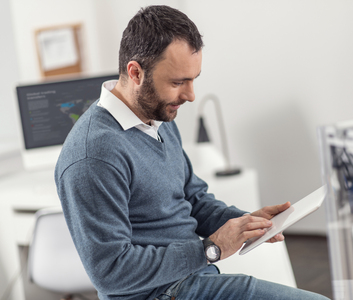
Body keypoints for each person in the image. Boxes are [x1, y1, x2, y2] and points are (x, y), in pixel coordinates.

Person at [55, 5, 330, 300]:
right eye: (177, 82)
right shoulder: (94, 155)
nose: (190, 95)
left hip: (192, 280)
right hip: (156, 294)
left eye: (193, 79)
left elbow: (193, 199)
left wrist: (246, 223)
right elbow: (111, 273)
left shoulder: (156, 118)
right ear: (135, 72)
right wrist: (210, 249)